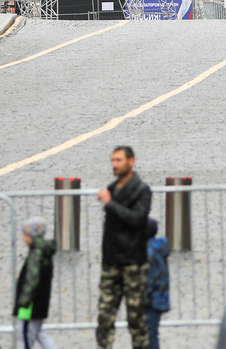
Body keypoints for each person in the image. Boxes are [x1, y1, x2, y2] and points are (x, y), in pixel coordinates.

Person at [95, 145, 152, 349]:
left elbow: (137, 219)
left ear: (131, 161)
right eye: (112, 160)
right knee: (104, 318)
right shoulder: (111, 188)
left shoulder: (141, 190)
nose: (114, 165)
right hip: (111, 263)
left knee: (136, 321)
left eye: (118, 160)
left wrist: (110, 204)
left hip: (133, 265)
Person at [13, 217, 59, 349]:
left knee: (25, 336)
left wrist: (23, 302)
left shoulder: (36, 253)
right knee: (40, 333)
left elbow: (31, 280)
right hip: (40, 303)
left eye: (25, 235)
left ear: (31, 235)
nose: (23, 238)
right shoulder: (44, 251)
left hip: (30, 306)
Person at [144, 218, 171, 349]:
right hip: (161, 298)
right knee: (153, 332)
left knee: (149, 334)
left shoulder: (147, 252)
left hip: (149, 300)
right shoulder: (161, 247)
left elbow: (148, 280)